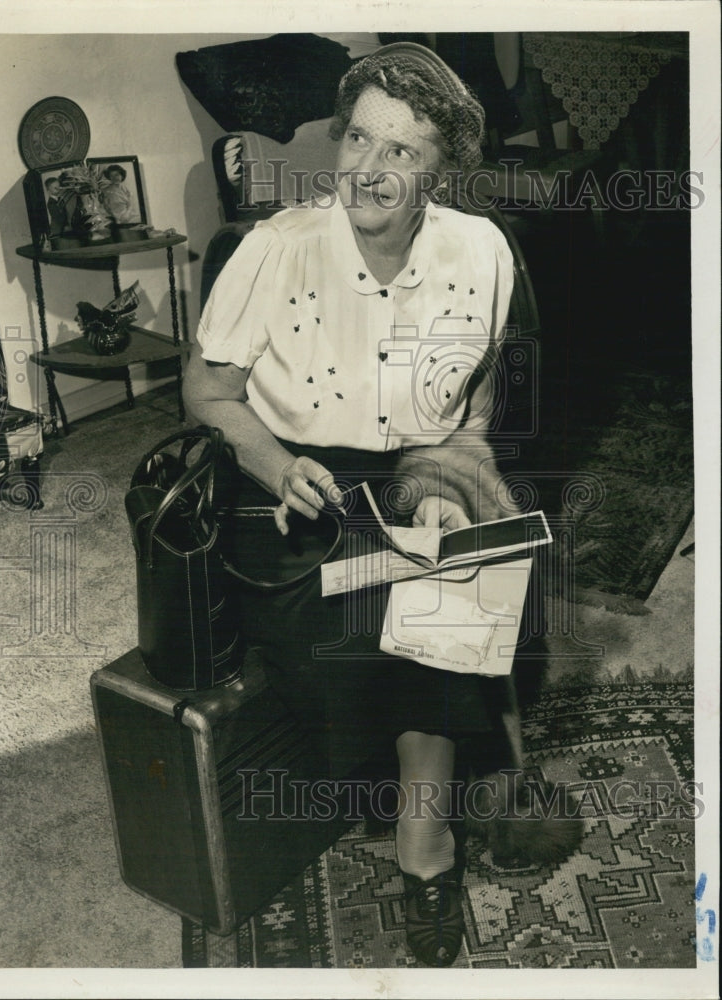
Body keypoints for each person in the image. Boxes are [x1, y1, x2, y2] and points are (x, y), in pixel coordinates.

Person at [183, 42, 517, 967]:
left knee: (445, 588)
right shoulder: (274, 247)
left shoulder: (479, 250)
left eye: (402, 153)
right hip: (296, 482)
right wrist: (268, 459)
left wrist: (454, 474)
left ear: (438, 170)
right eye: (359, 139)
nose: (370, 170)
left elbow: (475, 401)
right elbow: (207, 395)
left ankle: (425, 845)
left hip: (419, 462)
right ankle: (394, 783)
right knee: (356, 622)